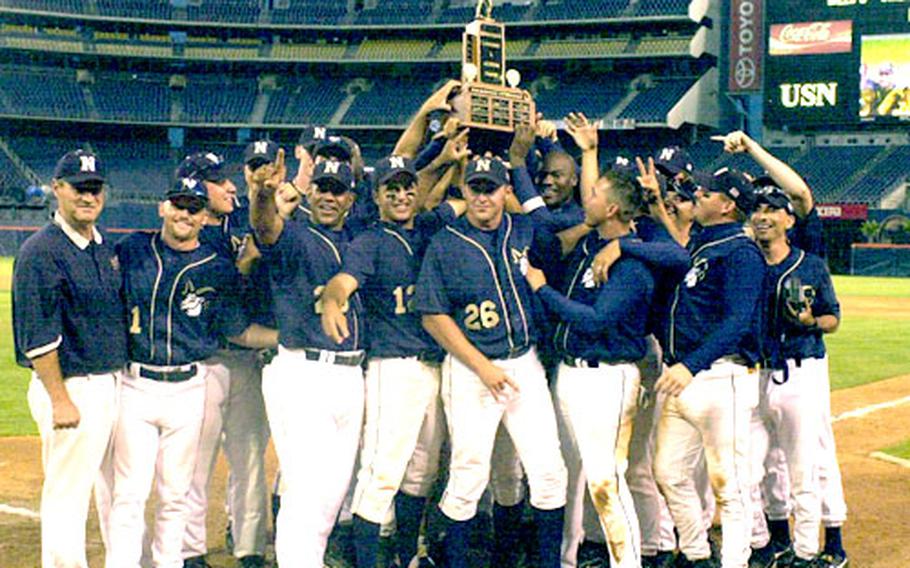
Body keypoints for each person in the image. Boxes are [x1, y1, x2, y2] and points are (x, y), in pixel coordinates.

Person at [105, 176, 276, 568]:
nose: (185, 213)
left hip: (189, 388)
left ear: (205, 218)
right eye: (178, 204)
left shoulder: (216, 269)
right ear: (163, 207)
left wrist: (288, 336)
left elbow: (237, 329)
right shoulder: (132, 249)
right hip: (136, 385)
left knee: (176, 494)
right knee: (129, 494)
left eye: (194, 207)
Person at [413, 156, 568, 568]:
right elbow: (432, 315)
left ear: (505, 191)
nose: (483, 196)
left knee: (549, 474)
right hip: (470, 371)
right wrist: (482, 366)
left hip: (525, 364)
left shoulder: (524, 229)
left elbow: (561, 240)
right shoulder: (446, 242)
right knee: (468, 476)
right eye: (476, 187)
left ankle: (530, 561)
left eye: (491, 187)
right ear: (464, 191)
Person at [524, 166, 682, 568]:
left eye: (593, 193)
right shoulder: (592, 245)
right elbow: (544, 222)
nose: (585, 199)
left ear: (611, 207)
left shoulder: (631, 267)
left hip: (607, 378)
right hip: (571, 373)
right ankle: (566, 559)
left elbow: (595, 320)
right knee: (570, 476)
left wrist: (541, 289)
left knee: (606, 481)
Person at [319, 155, 465, 568]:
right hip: (394, 367)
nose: (401, 195)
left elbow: (467, 199)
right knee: (382, 473)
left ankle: (406, 556)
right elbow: (345, 281)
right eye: (390, 189)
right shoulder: (369, 241)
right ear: (377, 196)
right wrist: (334, 297)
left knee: (421, 471)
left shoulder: (432, 226)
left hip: (437, 364)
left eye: (406, 187)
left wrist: (454, 154)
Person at [250, 152, 367, 566]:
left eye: (338, 190)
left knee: (332, 496)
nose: (329, 197)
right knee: (305, 490)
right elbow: (266, 227)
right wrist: (262, 194)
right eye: (322, 188)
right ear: (310, 192)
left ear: (350, 198)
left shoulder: (357, 239)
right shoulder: (296, 237)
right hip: (304, 372)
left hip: (350, 376)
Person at [12, 149, 127, 568]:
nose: (88, 196)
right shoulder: (41, 252)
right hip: (71, 387)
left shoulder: (102, 246)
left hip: (111, 385)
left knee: (117, 490)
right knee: (67, 495)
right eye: (79, 188)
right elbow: (38, 335)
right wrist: (60, 398)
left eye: (94, 189)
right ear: (57, 189)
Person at [651, 168, 765, 568]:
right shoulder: (705, 243)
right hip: (684, 376)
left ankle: (736, 562)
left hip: (720, 376)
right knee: (667, 472)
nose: (697, 193)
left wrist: (690, 366)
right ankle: (698, 555)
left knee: (729, 487)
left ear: (727, 204)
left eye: (706, 191)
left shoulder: (741, 252)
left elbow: (737, 321)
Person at [175, 149, 272, 568]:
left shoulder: (242, 223)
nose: (230, 186)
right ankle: (191, 550)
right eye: (218, 181)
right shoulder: (186, 237)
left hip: (248, 363)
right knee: (194, 463)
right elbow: (221, 298)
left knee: (251, 459)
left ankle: (249, 547)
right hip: (205, 362)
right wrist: (243, 267)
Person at [747, 186, 843, 568]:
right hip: (757, 372)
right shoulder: (747, 261)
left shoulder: (811, 264)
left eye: (773, 210)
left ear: (789, 220)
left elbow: (833, 318)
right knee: (762, 466)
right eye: (757, 210)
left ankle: (808, 550)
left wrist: (810, 322)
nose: (763, 216)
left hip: (801, 370)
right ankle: (774, 541)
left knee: (805, 464)